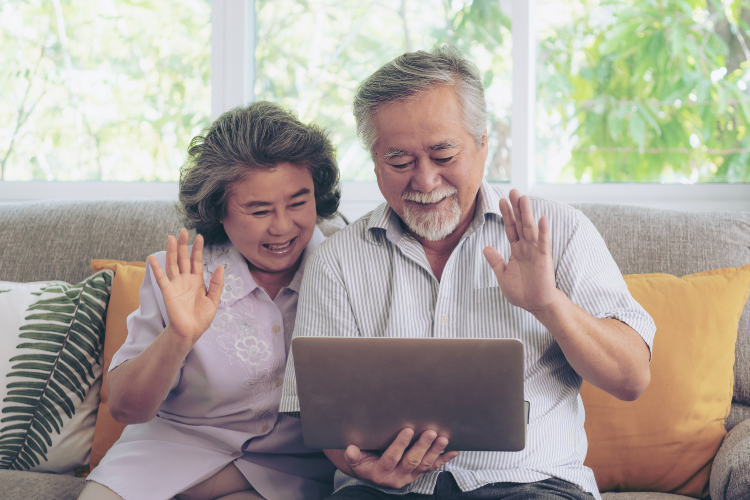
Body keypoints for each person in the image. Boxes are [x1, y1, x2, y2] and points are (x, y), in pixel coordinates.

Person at [280, 46, 656, 500]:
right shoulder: (336, 260)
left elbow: (631, 378)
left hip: (531, 485)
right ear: (375, 162)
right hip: (383, 492)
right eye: (399, 161)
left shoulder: (558, 230)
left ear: (481, 145)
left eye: (443, 154)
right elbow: (323, 414)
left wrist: (548, 303)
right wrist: (362, 466)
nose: (424, 180)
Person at [79, 101, 341, 500]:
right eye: (259, 210)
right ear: (218, 211)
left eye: (298, 202)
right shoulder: (177, 276)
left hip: (288, 472)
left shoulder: (347, 268)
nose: (284, 226)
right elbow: (127, 410)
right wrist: (179, 337)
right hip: (166, 455)